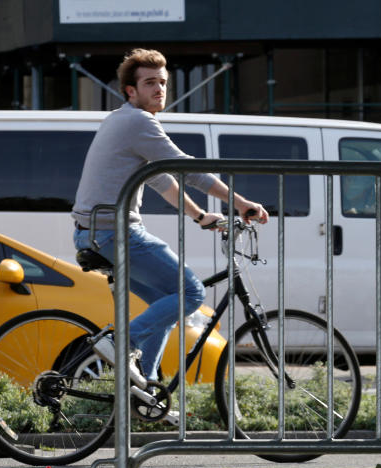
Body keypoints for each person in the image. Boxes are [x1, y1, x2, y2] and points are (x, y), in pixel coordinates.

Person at [71, 48, 268, 422]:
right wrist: (241, 203)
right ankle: (118, 343)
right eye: (150, 83)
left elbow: (163, 180)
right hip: (116, 234)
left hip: (96, 233)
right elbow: (187, 171)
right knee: (191, 292)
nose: (159, 89)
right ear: (130, 90)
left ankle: (145, 390)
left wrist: (200, 216)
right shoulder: (138, 122)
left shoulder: (125, 121)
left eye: (163, 82)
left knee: (169, 299)